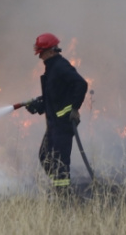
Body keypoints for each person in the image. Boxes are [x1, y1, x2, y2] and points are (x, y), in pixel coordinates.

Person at [23, 33, 88, 193]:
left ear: (51, 51)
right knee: (45, 156)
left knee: (60, 162)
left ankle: (63, 195)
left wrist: (74, 109)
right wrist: (38, 105)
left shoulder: (60, 66)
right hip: (53, 124)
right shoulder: (52, 68)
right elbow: (54, 96)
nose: (40, 57)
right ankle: (59, 187)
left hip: (63, 124)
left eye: (42, 53)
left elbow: (81, 84)